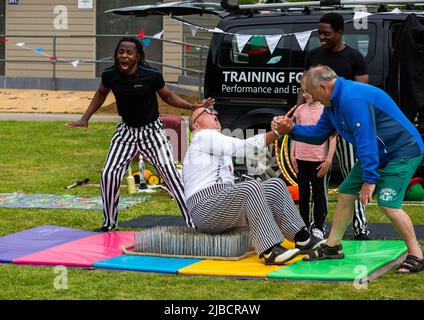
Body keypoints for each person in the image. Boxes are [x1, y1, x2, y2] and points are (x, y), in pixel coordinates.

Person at [274, 65, 424, 273]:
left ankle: (416, 254)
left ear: (323, 87)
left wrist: (369, 181)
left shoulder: (352, 99)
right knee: (345, 192)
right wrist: (291, 129)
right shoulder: (332, 104)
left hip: (402, 150)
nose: (309, 96)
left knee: (388, 204)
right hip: (378, 152)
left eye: (311, 92)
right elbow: (318, 134)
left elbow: (367, 140)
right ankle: (332, 246)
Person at [66, 37, 214, 232]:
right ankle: (109, 223)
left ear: (137, 56)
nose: (124, 56)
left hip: (151, 132)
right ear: (116, 55)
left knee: (170, 175)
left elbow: (168, 96)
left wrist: (190, 106)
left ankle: (195, 222)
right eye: (121, 52)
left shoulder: (151, 75)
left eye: (129, 52)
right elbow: (101, 94)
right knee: (108, 174)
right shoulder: (109, 75)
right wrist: (85, 117)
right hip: (126, 132)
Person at [182, 107, 325, 265]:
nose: (214, 113)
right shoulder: (202, 136)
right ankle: (270, 250)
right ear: (195, 124)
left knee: (275, 185)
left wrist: (276, 131)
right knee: (251, 187)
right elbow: (243, 147)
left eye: (213, 110)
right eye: (207, 112)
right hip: (205, 206)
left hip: (217, 201)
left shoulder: (213, 142)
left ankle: (302, 238)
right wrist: (276, 133)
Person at [298, 12, 371, 240]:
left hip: (346, 127)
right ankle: (318, 226)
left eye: (326, 33)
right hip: (322, 124)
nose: (321, 37)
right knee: (319, 180)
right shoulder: (313, 55)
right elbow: (304, 88)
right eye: (319, 32)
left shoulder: (354, 57)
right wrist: (298, 115)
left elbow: (362, 94)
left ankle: (360, 227)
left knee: (352, 174)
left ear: (339, 33)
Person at [291, 91, 337, 239]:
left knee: (319, 195)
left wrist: (328, 160)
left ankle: (319, 226)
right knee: (303, 194)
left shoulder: (325, 110)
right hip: (301, 159)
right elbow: (294, 133)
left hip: (318, 160)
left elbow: (332, 138)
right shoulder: (300, 110)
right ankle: (304, 224)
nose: (306, 94)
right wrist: (292, 155)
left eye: (308, 91)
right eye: (303, 92)